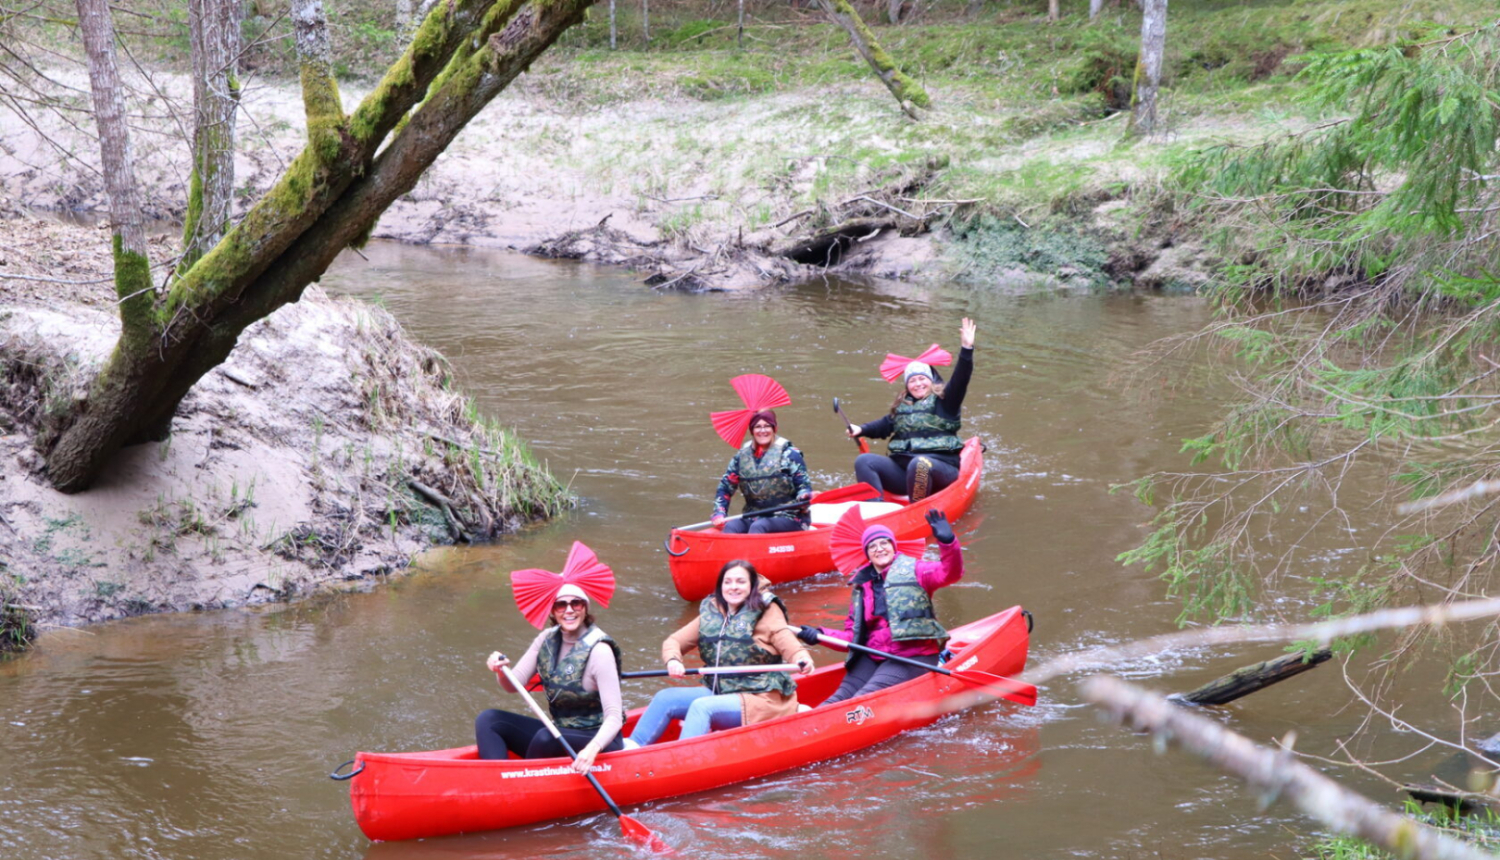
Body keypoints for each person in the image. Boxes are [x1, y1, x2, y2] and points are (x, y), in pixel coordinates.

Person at [628, 560, 814, 745]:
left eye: (740, 582)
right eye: (728, 582)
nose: (733, 587)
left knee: (701, 707)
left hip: (759, 698)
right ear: (721, 585)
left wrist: (802, 658)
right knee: (665, 698)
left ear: (751, 585)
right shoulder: (714, 611)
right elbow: (674, 641)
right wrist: (673, 660)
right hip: (721, 690)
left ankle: (682, 759)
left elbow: (786, 640)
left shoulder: (767, 612)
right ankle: (631, 749)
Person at [475, 547, 624, 772]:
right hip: (560, 732)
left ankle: (524, 787)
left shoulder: (600, 650)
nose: (569, 610)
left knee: (546, 737)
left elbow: (614, 717)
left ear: (585, 608)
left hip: (599, 739)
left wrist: (592, 749)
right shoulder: (546, 639)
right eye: (561, 605)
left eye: (577, 603)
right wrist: (500, 670)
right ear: (553, 611)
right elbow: (513, 685)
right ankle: (496, 779)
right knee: (488, 720)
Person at [795, 509, 961, 704]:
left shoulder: (917, 570)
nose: (879, 549)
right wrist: (819, 635)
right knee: (837, 700)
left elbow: (950, 573)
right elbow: (852, 637)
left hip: (914, 655)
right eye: (872, 546)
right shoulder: (861, 587)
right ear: (867, 554)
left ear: (893, 546)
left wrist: (948, 543)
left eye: (884, 543)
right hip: (874, 655)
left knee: (860, 701)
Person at [848, 318, 977, 501]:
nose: (918, 384)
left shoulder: (947, 400)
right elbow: (885, 424)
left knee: (920, 464)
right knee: (864, 461)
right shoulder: (904, 405)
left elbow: (961, 378)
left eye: (922, 379)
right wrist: (861, 429)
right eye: (912, 381)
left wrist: (966, 349)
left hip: (940, 469)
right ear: (907, 385)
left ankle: (917, 507)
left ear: (930, 380)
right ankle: (875, 507)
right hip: (904, 472)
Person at [711, 410, 814, 534]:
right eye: (758, 427)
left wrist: (805, 496)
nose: (763, 431)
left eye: (767, 426)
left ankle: (750, 552)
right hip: (754, 515)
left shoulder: (790, 454)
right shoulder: (741, 457)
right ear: (752, 430)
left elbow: (804, 487)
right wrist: (719, 512)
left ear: (774, 428)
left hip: (789, 516)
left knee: (760, 526)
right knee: (732, 526)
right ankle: (729, 553)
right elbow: (725, 488)